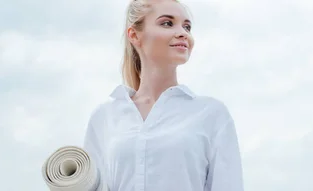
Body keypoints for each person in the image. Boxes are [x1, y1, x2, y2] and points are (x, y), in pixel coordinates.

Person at [82, 0, 244, 191]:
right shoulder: (104, 117)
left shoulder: (212, 114)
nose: (183, 33)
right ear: (134, 35)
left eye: (187, 26)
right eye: (167, 23)